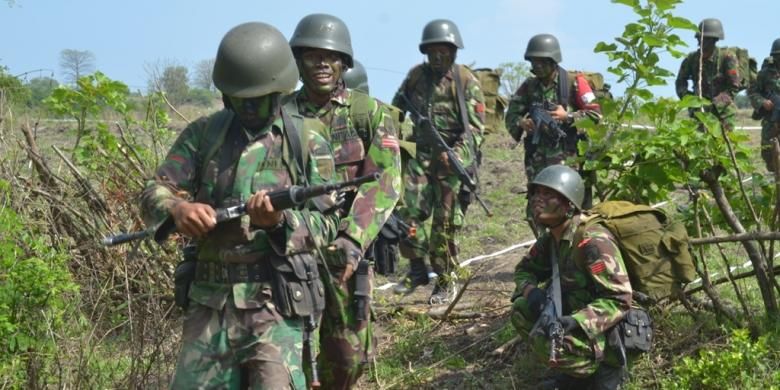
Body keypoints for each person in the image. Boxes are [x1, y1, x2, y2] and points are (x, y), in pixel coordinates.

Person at [140, 22, 340, 389]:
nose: (248, 106)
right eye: (239, 97)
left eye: (258, 97)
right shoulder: (204, 134)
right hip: (209, 307)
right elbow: (156, 190)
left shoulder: (308, 139)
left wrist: (279, 223)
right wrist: (177, 210)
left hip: (277, 306)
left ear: (280, 91)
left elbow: (327, 224)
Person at [288, 13, 403, 389]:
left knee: (347, 356)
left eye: (330, 56)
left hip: (344, 252)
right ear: (298, 60)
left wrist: (353, 238)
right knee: (291, 350)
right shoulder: (282, 114)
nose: (321, 63)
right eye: (311, 56)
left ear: (344, 63)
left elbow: (385, 180)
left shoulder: (367, 112)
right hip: (292, 248)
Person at [510, 165, 632, 389]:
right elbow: (523, 270)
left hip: (602, 331)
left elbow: (620, 299)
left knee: (544, 339)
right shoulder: (551, 239)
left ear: (568, 205)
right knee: (521, 309)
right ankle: (574, 374)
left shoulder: (592, 241)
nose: (538, 199)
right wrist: (532, 292)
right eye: (536, 193)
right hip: (570, 321)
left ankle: (597, 370)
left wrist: (576, 321)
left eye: (548, 195)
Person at [391, 18, 486, 304]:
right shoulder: (416, 77)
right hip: (421, 158)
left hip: (452, 167)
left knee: (444, 227)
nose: (437, 56)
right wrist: (391, 142)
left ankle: (445, 281)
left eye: (443, 50)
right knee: (406, 211)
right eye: (432, 50)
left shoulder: (466, 80)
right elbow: (395, 110)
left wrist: (456, 154)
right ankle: (417, 268)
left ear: (453, 51)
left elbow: (477, 131)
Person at [505, 33, 601, 235]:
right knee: (537, 211)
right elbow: (511, 115)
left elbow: (596, 114)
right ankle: (547, 255)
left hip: (570, 161)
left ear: (552, 60)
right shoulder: (529, 86)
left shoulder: (575, 82)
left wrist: (568, 116)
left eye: (541, 61)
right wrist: (522, 123)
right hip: (538, 160)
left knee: (572, 209)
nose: (537, 66)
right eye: (533, 61)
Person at [675, 18, 740, 132]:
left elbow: (734, 86)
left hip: (723, 114)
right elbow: (680, 82)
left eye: (703, 38)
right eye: (699, 38)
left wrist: (716, 102)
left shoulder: (727, 57)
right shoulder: (692, 59)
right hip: (699, 114)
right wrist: (690, 99)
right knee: (699, 146)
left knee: (722, 147)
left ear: (713, 40)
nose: (699, 41)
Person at [749, 38, 780, 171]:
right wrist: (762, 102)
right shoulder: (764, 74)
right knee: (769, 154)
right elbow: (753, 92)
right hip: (771, 119)